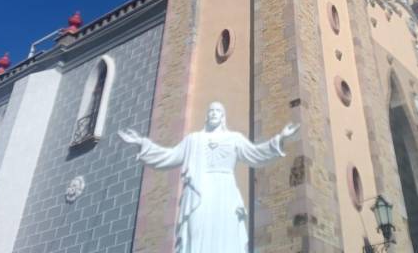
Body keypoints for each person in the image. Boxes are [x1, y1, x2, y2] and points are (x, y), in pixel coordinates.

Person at [118, 102, 300, 253]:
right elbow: (170, 156)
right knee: (195, 231)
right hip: (199, 192)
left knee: (227, 234)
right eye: (211, 110)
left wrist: (280, 139)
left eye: (218, 111)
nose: (214, 113)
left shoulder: (234, 138)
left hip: (225, 192)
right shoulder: (193, 140)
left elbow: (255, 154)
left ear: (223, 117)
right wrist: (142, 143)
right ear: (207, 116)